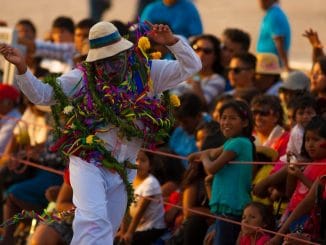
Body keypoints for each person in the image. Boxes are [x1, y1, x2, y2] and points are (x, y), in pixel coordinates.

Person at [0, 21, 201, 244]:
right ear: (95, 60)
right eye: (104, 60)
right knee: (94, 222)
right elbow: (43, 95)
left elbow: (191, 66)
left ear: (126, 51)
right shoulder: (83, 77)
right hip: (88, 162)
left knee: (107, 228)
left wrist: (173, 43)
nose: (111, 64)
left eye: (115, 57)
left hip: (124, 168)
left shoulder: (149, 71)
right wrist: (21, 68)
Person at [189, 100, 255, 245]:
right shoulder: (232, 142)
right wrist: (198, 155)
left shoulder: (239, 143)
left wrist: (203, 157)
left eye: (232, 118)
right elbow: (213, 152)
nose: (226, 122)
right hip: (228, 207)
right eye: (223, 117)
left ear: (245, 123)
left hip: (232, 206)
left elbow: (212, 168)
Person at [270, 116, 326, 243]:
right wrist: (292, 172)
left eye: (316, 140)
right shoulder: (309, 165)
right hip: (292, 214)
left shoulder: (324, 166)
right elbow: (291, 193)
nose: (310, 144)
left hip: (308, 219)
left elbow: (317, 194)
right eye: (307, 140)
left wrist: (300, 176)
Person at [115, 150, 166, 245]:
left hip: (150, 227)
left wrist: (129, 233)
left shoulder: (151, 184)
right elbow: (124, 206)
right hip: (132, 225)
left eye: (143, 160)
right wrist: (122, 230)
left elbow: (140, 212)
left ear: (150, 166)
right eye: (136, 159)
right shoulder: (129, 178)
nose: (138, 163)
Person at [171, 34, 225, 109]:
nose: (201, 54)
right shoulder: (181, 69)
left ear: (215, 56)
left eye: (207, 51)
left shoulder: (217, 80)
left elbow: (202, 102)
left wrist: (195, 73)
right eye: (197, 48)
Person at [256, 0, 291, 71]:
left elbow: (279, 40)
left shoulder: (274, 15)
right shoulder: (272, 13)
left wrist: (286, 65)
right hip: (267, 62)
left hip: (270, 64)